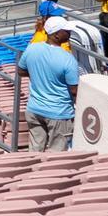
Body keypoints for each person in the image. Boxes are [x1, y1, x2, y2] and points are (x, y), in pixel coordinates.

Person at [19, 17, 82, 152]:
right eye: (66, 30)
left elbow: (20, 70)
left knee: (35, 151)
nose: (69, 33)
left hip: (34, 108)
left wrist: (38, 75)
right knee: (57, 156)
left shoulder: (32, 49)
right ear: (57, 34)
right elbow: (74, 90)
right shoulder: (67, 59)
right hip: (59, 113)